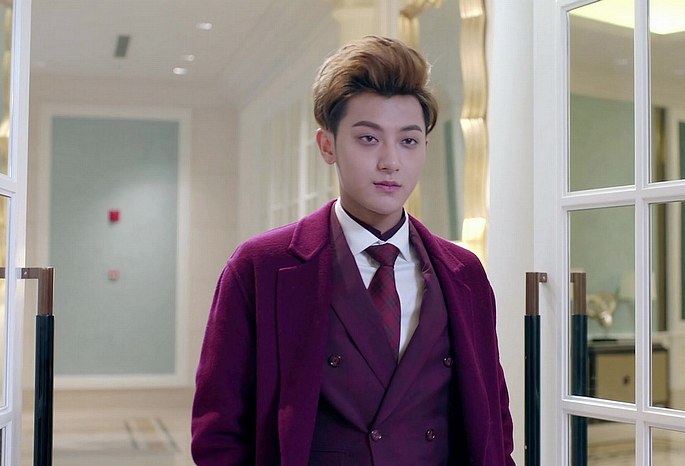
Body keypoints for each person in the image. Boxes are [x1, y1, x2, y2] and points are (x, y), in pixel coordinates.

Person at [191, 35, 514, 465]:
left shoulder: (464, 272)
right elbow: (218, 434)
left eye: (408, 141)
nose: (390, 162)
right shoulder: (261, 267)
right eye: (368, 138)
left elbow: (494, 419)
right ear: (328, 146)